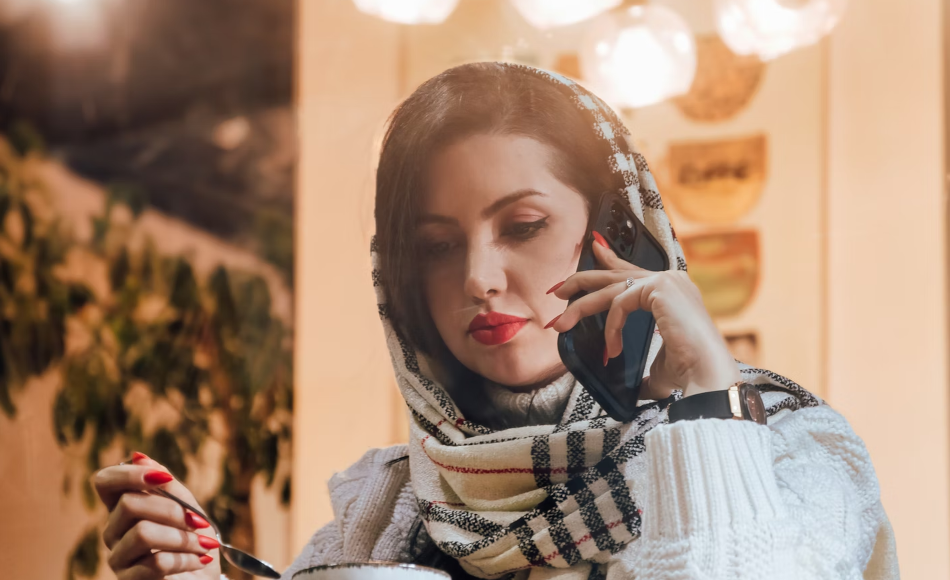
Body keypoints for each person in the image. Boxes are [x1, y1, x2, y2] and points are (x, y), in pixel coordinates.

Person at [93, 62, 899, 580]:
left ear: (615, 236)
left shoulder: (795, 449)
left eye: (522, 227)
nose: (478, 279)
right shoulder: (390, 504)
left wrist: (705, 412)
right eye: (437, 246)